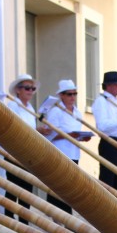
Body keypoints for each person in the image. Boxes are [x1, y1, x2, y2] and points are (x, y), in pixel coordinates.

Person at [5, 73, 48, 220]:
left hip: (28, 152)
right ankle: (9, 219)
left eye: (32, 88)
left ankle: (24, 220)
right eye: (27, 88)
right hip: (15, 151)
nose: (30, 91)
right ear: (18, 90)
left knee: (27, 188)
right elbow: (15, 127)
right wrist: (36, 131)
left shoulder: (30, 108)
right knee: (13, 187)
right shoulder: (12, 105)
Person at [42, 79, 85, 214]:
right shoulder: (56, 112)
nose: (72, 97)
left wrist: (81, 137)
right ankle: (61, 216)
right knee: (60, 186)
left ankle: (66, 216)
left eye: (74, 94)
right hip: (60, 152)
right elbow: (49, 136)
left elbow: (75, 133)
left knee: (70, 187)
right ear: (61, 95)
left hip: (73, 153)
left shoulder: (78, 113)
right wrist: (69, 135)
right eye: (69, 94)